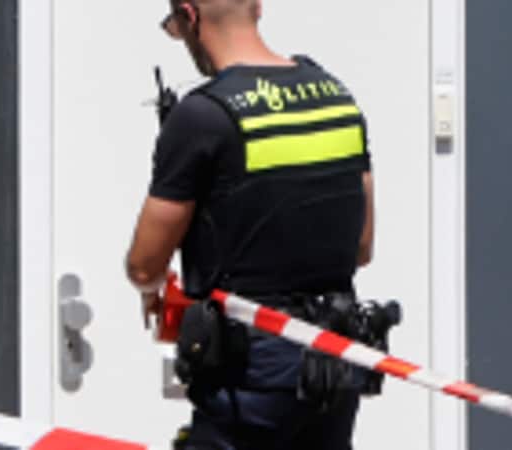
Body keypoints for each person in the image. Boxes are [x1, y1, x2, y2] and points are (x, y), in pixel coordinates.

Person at [126, 0, 375, 448]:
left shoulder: (201, 115)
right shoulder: (336, 96)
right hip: (335, 364)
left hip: (251, 375)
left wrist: (156, 289)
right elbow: (362, 246)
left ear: (190, 15)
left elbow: (145, 267)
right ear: (258, 6)